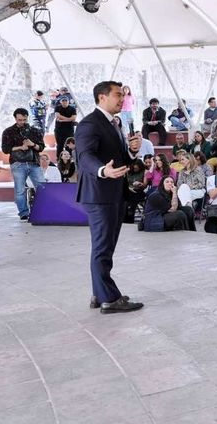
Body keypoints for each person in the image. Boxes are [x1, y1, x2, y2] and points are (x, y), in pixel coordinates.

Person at [74, 81, 144, 313]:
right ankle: (109, 299)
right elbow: (84, 156)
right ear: (102, 97)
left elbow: (122, 157)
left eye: (123, 95)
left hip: (113, 192)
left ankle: (99, 293)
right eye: (117, 94)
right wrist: (103, 170)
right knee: (103, 247)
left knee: (105, 246)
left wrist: (133, 150)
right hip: (99, 193)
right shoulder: (89, 123)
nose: (122, 98)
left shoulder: (115, 122)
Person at [3, 107, 47, 219]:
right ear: (15, 118)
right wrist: (20, 147)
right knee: (20, 190)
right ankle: (23, 213)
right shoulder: (8, 131)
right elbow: (5, 149)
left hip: (34, 162)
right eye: (19, 120)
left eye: (24, 119)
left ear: (27, 118)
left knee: (42, 187)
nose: (22, 122)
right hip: (17, 163)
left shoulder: (35, 130)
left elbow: (41, 147)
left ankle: (43, 210)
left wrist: (32, 144)